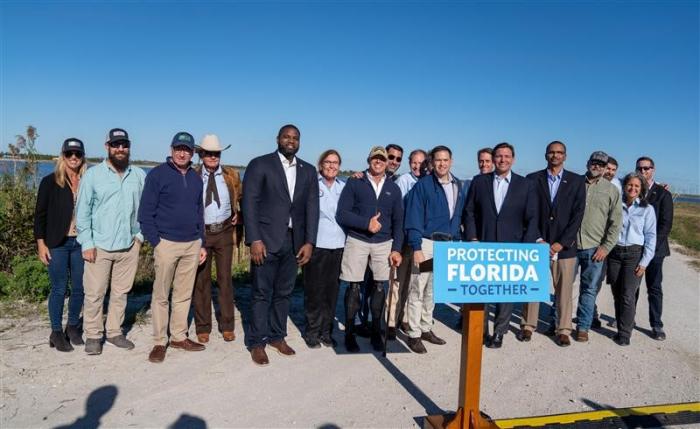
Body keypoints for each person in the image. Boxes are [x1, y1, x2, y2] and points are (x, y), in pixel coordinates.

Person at [242, 124, 319, 366]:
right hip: (265, 240)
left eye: (295, 138)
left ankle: (277, 337)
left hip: (293, 241)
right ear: (278, 138)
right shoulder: (260, 164)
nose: (291, 141)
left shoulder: (307, 170)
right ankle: (256, 342)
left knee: (284, 293)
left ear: (299, 142)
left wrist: (309, 242)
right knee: (261, 293)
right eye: (286, 136)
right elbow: (250, 203)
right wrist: (254, 238)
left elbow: (312, 208)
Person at [76, 128, 146, 355]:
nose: (120, 149)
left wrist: (140, 237)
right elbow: (83, 212)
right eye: (116, 144)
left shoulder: (138, 175)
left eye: (124, 144)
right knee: (95, 293)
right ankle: (94, 335)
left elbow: (146, 209)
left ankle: (115, 332)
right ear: (107, 147)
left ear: (129, 147)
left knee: (120, 292)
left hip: (129, 245)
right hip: (100, 246)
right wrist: (87, 243)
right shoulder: (93, 175)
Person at [139, 132, 208, 363]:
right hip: (166, 243)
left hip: (191, 243)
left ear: (192, 153)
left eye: (187, 150)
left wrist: (201, 242)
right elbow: (145, 213)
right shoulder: (157, 175)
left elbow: (200, 212)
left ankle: (178, 336)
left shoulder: (197, 178)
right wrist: (156, 242)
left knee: (183, 294)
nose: (182, 153)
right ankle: (160, 341)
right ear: (171, 149)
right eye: (179, 148)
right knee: (161, 295)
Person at [463, 142, 540, 348]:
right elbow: (469, 212)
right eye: (498, 156)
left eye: (506, 156)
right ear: (493, 158)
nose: (502, 160)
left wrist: (525, 247)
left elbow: (532, 218)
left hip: (512, 247)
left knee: (505, 293)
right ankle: (481, 330)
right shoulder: (480, 182)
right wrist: (472, 238)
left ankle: (499, 332)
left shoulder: (526, 185)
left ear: (513, 159)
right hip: (483, 243)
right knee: (482, 290)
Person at [337, 146, 403, 352]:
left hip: (384, 243)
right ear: (369, 160)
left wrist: (397, 249)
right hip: (358, 239)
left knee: (380, 287)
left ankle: (376, 331)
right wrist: (366, 223)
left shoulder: (394, 188)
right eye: (375, 158)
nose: (379, 162)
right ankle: (349, 334)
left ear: (386, 163)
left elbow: (399, 222)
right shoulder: (355, 182)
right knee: (354, 288)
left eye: (382, 159)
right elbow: (342, 214)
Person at [522, 141, 585, 346]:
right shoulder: (532, 179)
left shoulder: (576, 181)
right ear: (546, 155)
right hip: (537, 243)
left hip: (564, 248)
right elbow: (528, 213)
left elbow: (578, 215)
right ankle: (528, 326)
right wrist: (538, 238)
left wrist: (561, 243)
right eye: (552, 152)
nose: (555, 156)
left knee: (564, 290)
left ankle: (563, 329)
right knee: (533, 287)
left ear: (565, 156)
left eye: (559, 153)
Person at [404, 145, 465, 353]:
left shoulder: (458, 185)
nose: (442, 163)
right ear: (432, 162)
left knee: (433, 290)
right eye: (438, 160)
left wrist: (456, 244)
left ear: (451, 161)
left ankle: (426, 327)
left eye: (445, 160)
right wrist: (416, 247)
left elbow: (458, 217)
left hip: (446, 246)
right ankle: (413, 333)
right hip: (426, 244)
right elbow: (413, 216)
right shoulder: (423, 186)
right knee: (417, 289)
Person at [34, 138, 87, 352]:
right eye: (69, 154)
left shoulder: (87, 180)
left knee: (80, 288)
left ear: (82, 157)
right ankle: (56, 332)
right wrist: (41, 244)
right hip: (57, 242)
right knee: (58, 288)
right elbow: (40, 215)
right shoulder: (50, 181)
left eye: (77, 154)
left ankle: (72, 327)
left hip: (81, 243)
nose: (73, 158)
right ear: (62, 156)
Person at [192, 134, 241, 344]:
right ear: (201, 154)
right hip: (201, 232)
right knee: (201, 281)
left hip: (224, 232)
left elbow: (241, 197)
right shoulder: (193, 175)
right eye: (209, 153)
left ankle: (227, 325)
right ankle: (203, 326)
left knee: (225, 280)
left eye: (216, 153)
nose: (213, 157)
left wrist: (240, 214)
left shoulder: (231, 175)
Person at [574, 151, 622, 343]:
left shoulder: (611, 191)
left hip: (594, 249)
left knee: (589, 288)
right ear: (588, 163)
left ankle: (583, 326)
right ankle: (557, 323)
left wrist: (606, 247)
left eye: (601, 165)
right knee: (563, 287)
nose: (597, 167)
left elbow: (615, 223)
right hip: (569, 245)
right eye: (594, 163)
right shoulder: (574, 183)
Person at [302, 149, 345, 349]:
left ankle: (326, 332)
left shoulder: (343, 187)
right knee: (314, 290)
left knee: (331, 291)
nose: (331, 166)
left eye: (335, 163)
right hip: (317, 244)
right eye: (328, 162)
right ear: (321, 165)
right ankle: (312, 331)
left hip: (338, 246)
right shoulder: (312, 185)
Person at [607, 173, 656, 346]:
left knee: (627, 295)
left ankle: (624, 334)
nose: (633, 189)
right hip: (614, 253)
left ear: (641, 189)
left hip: (634, 255)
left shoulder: (647, 209)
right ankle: (620, 326)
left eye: (637, 186)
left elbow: (651, 237)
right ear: (624, 186)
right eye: (630, 185)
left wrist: (644, 263)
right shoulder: (615, 205)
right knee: (616, 292)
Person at [636, 156, 673, 340]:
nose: (643, 172)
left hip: (656, 251)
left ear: (653, 169)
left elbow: (665, 225)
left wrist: (650, 249)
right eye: (640, 169)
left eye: (646, 168)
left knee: (654, 287)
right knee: (631, 287)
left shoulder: (663, 194)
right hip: (635, 248)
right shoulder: (632, 190)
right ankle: (626, 320)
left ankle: (656, 325)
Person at [391, 149, 428, 337]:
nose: (417, 166)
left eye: (421, 163)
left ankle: (404, 319)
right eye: (414, 162)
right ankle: (391, 321)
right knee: (399, 282)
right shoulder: (403, 181)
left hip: (420, 239)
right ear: (409, 163)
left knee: (414, 282)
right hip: (404, 237)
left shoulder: (427, 181)